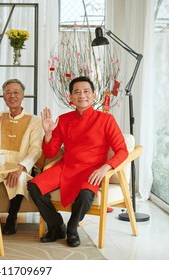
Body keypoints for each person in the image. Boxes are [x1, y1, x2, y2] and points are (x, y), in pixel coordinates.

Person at [27, 76, 128, 247]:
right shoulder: (64, 119)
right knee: (34, 186)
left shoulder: (106, 120)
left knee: (85, 195)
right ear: (71, 97)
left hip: (93, 169)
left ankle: (72, 229)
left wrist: (105, 167)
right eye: (77, 92)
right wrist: (49, 133)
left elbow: (123, 151)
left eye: (86, 91)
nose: (82, 95)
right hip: (66, 166)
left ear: (94, 95)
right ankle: (57, 225)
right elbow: (50, 151)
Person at [0, 78, 43, 235]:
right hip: (0, 166)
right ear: (3, 97)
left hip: (22, 167)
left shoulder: (34, 121)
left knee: (19, 179)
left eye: (16, 92)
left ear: (23, 96)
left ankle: (12, 218)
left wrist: (20, 167)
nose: (12, 96)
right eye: (8, 92)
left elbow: (36, 150)